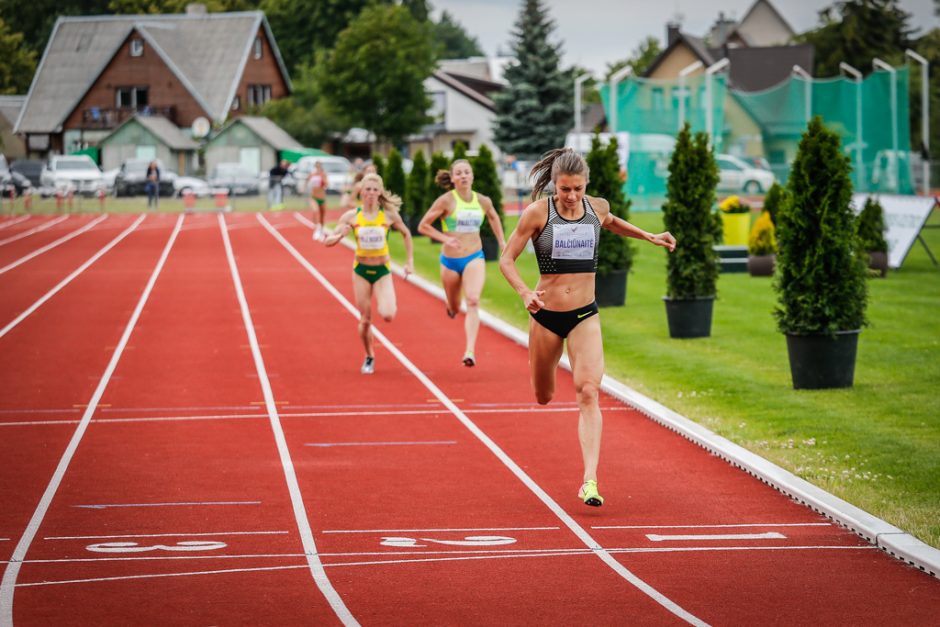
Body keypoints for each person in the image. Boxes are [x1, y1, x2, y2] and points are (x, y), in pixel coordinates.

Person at [498, 148, 676, 507]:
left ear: (586, 184)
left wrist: (650, 236)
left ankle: (589, 480)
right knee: (543, 395)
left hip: (584, 314)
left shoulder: (597, 206)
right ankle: (544, 385)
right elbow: (506, 258)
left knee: (588, 391)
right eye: (565, 189)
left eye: (578, 189)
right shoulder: (538, 213)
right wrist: (523, 292)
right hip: (546, 315)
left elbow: (613, 223)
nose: (571, 196)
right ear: (554, 185)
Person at [323, 173, 414, 375]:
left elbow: (406, 233)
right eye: (368, 189)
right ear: (361, 192)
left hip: (382, 271)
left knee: (388, 314)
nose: (371, 193)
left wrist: (409, 262)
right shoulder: (352, 217)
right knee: (365, 320)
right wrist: (339, 235)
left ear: (380, 192)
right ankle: (369, 355)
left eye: (375, 190)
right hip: (361, 271)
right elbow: (326, 241)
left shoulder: (388, 216)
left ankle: (370, 352)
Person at [418, 159, 506, 367]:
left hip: (474, 256)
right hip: (450, 260)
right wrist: (445, 238)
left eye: (467, 172)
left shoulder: (482, 201)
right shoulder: (446, 201)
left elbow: (493, 217)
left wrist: (502, 241)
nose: (463, 176)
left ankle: (470, 351)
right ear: (453, 178)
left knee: (473, 300)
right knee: (455, 306)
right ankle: (451, 306)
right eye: (459, 173)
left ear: (472, 176)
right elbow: (423, 226)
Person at [307, 161, 328, 240]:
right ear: (315, 166)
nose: (318, 168)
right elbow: (307, 181)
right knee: (315, 211)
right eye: (317, 166)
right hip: (313, 197)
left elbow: (327, 184)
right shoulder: (312, 174)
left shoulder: (323, 174)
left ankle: (321, 230)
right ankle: (316, 229)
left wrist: (322, 178)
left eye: (319, 166)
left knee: (322, 214)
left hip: (322, 197)